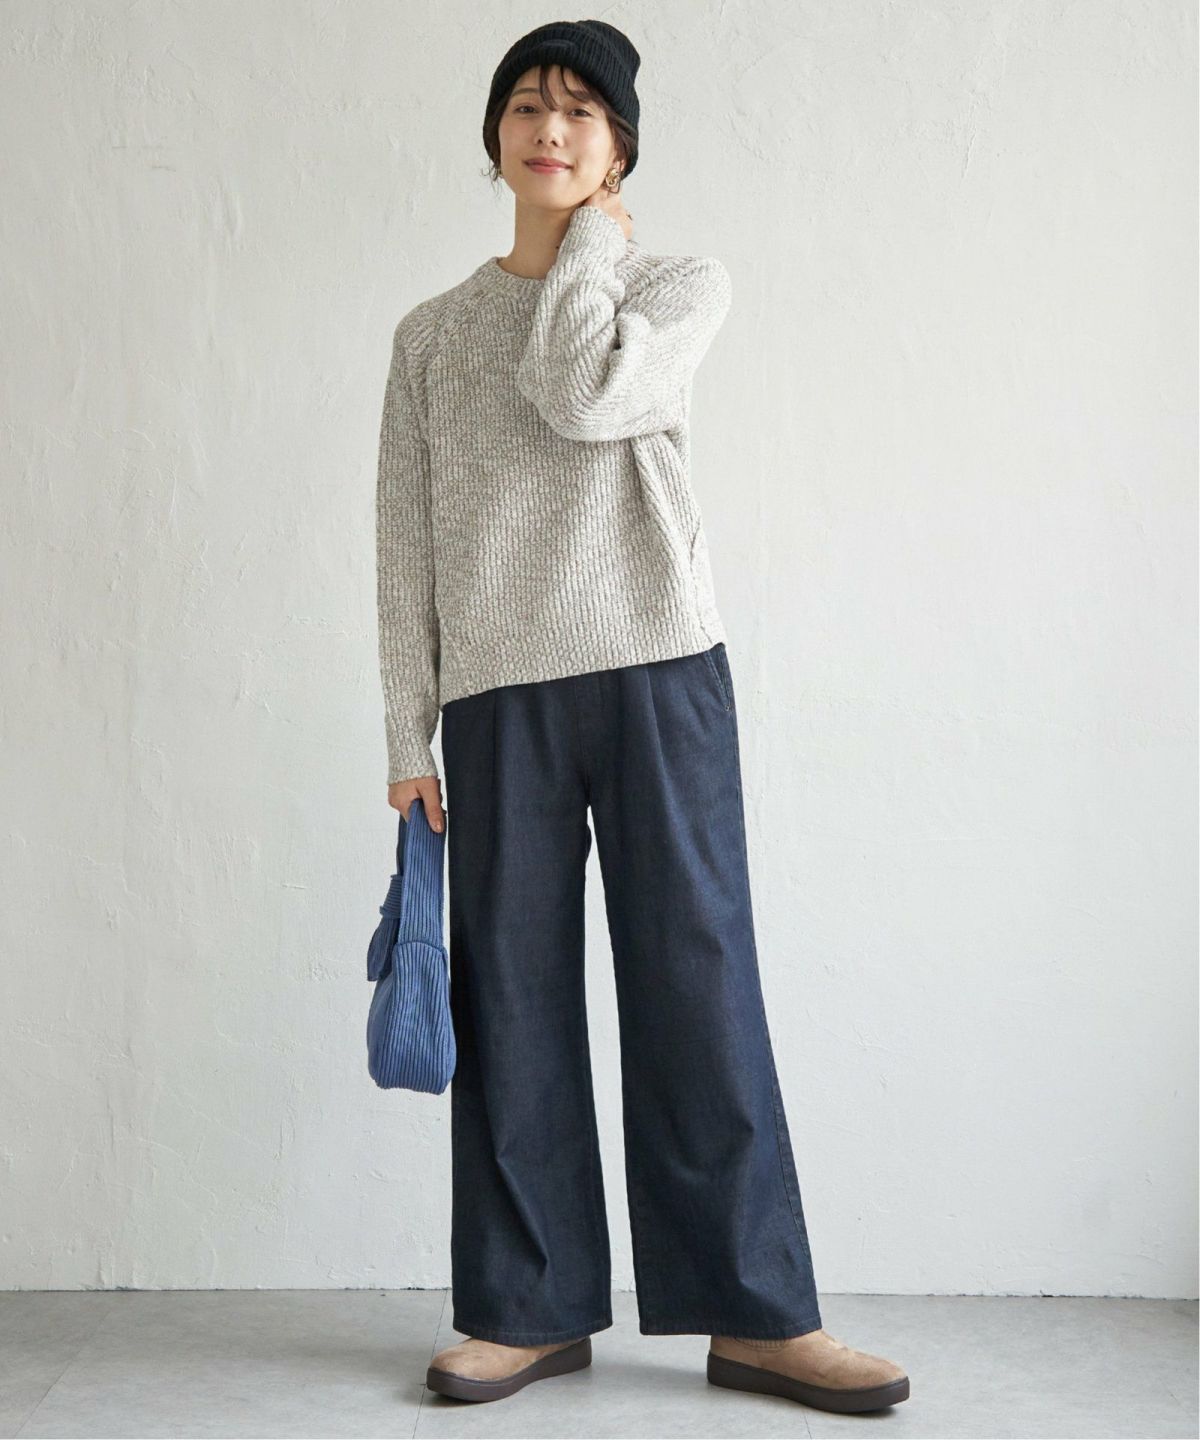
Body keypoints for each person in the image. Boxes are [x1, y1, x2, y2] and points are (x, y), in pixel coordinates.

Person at [375, 18, 910, 1414]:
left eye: (579, 111)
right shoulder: (429, 337)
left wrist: (592, 249)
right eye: (525, 106)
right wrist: (405, 737)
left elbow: (581, 388)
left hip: (659, 667)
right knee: (512, 994)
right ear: (494, 135)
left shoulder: (674, 285)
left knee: (698, 981)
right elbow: (402, 546)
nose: (548, 129)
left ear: (618, 151)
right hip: (496, 694)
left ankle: (758, 1315)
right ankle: (527, 1309)